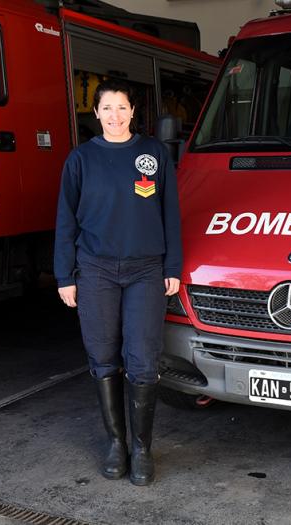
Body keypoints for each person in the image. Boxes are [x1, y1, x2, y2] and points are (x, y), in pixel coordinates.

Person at [54, 78, 182, 486]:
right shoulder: (81, 159)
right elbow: (65, 222)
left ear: (132, 112)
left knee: (143, 359)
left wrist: (172, 267)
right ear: (96, 113)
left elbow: (171, 215)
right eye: (107, 108)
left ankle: (143, 448)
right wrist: (64, 275)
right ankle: (116, 443)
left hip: (146, 269)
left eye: (122, 107)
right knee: (103, 356)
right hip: (95, 270)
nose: (114, 115)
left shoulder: (153, 153)